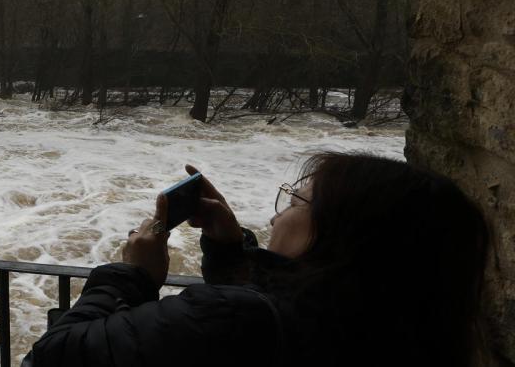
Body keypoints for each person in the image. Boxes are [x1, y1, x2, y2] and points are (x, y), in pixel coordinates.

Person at [29, 152, 491, 366]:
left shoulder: (233, 316)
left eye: (294, 202)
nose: (275, 219)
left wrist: (129, 276)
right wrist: (230, 251)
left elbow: (55, 357)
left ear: (337, 234)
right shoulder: (396, 323)